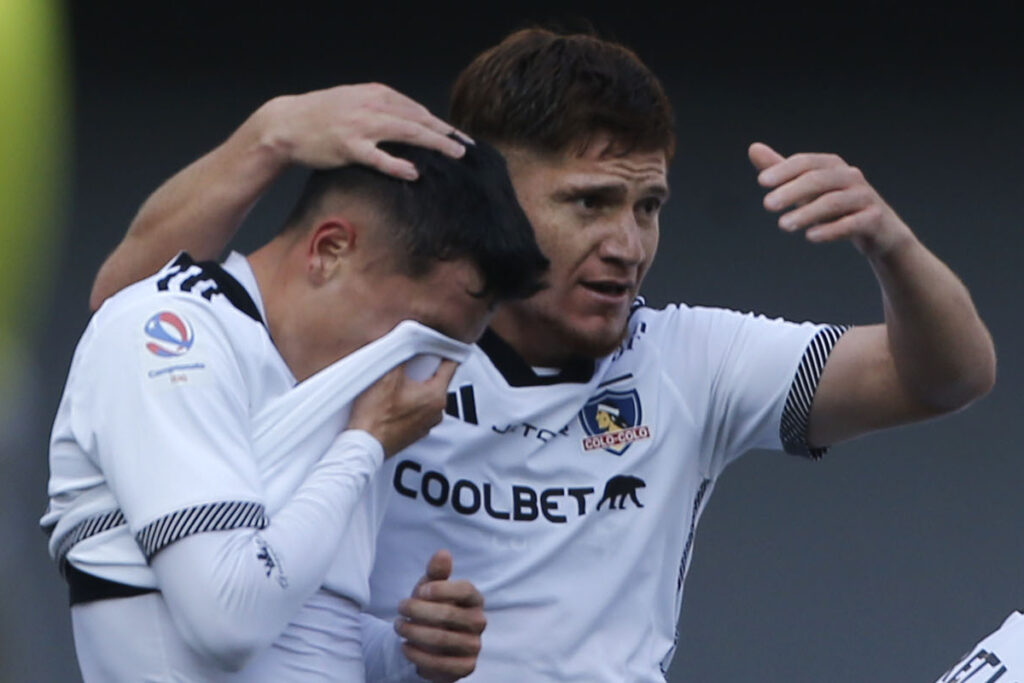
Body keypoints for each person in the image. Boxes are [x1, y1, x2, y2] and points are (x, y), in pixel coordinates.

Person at [88, 28, 996, 681]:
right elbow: (128, 308)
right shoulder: (379, 334)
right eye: (590, 202)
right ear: (490, 188)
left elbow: (947, 376)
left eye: (648, 208)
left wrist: (891, 244)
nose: (629, 244)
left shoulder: (693, 358)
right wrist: (269, 137)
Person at [43, 139, 548, 681]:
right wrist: (364, 446)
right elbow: (229, 620)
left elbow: (310, 641)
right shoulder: (166, 332)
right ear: (329, 250)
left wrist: (408, 651)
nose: (429, 381)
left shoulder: (347, 398)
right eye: (424, 337)